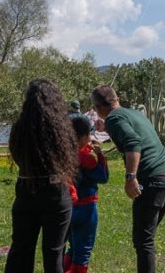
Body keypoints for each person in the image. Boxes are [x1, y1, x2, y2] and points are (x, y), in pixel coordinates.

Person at [91, 85, 165, 273]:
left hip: (152, 182)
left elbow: (134, 144)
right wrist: (106, 125)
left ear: (97, 108)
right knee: (146, 237)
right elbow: (136, 134)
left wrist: (131, 178)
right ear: (117, 98)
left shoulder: (114, 119)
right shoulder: (133, 114)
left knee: (143, 241)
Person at [6, 79, 80, 273]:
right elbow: (72, 157)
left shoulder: (19, 128)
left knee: (20, 252)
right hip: (56, 193)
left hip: (26, 190)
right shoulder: (63, 129)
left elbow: (17, 155)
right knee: (54, 254)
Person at [64, 114, 109, 273]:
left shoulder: (63, 155)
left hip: (68, 209)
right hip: (86, 208)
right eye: (88, 135)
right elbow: (102, 177)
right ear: (83, 137)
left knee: (72, 247)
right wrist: (100, 156)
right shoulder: (86, 158)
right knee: (83, 252)